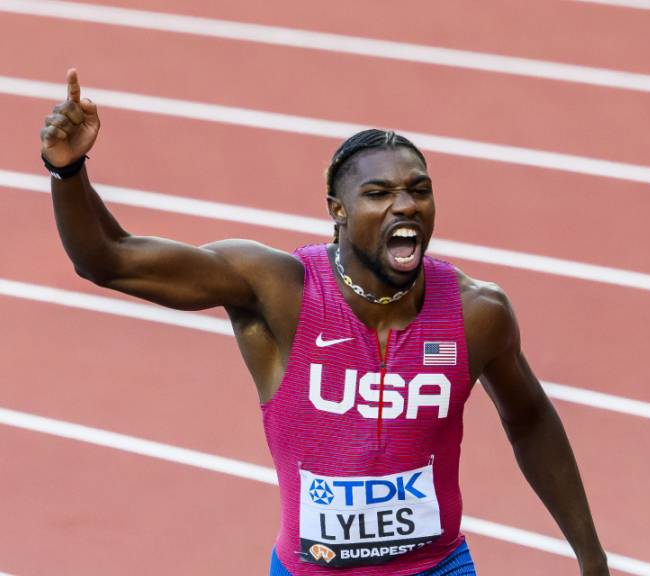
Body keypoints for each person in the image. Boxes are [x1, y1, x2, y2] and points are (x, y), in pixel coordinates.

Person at [41, 69, 609, 576]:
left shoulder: (475, 312)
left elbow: (531, 419)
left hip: (437, 569)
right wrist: (67, 171)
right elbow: (107, 258)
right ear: (337, 211)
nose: (405, 205)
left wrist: (592, 559)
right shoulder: (278, 291)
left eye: (419, 190)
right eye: (379, 193)